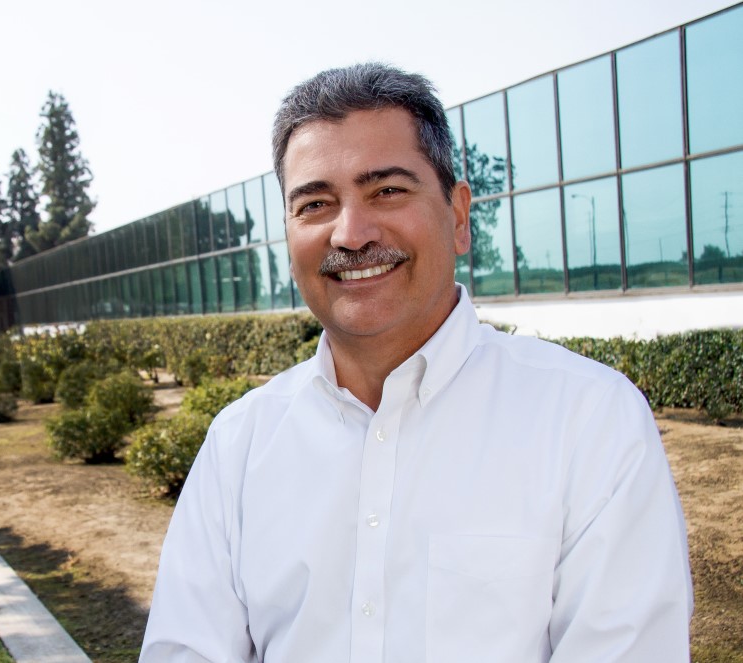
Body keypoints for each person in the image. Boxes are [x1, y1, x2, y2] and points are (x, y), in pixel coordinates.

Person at [139, 62, 692, 662]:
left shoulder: (590, 421)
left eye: (387, 190)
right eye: (316, 204)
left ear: (457, 216)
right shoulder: (238, 445)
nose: (350, 234)